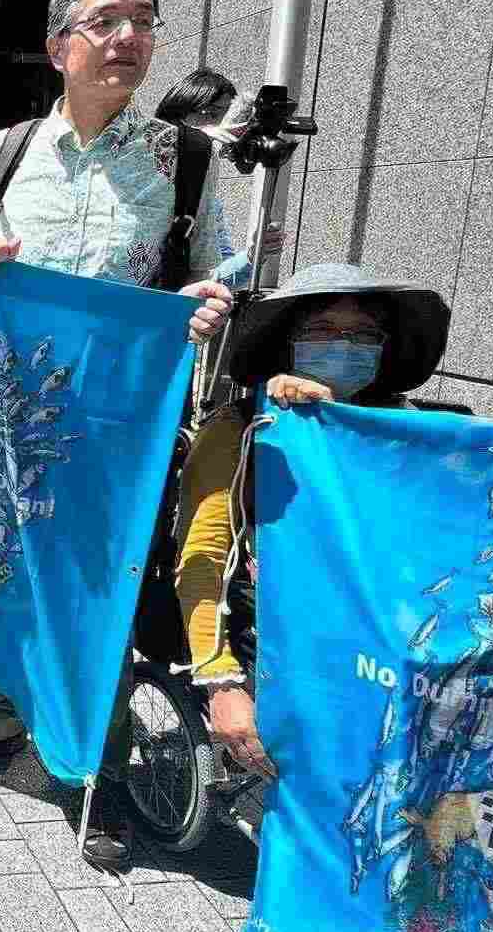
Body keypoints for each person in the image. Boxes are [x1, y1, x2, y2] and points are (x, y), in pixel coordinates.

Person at [0, 0, 234, 872]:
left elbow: (217, 267)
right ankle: (0, 714)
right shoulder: (4, 153)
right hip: (8, 422)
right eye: (106, 20)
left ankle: (98, 771)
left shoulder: (185, 160)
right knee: (3, 575)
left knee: (102, 592)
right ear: (58, 46)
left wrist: (209, 300)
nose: (128, 37)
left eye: (143, 20)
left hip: (120, 428)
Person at [175, 263, 450, 778]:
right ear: (287, 342)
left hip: (392, 642)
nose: (343, 344)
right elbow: (202, 561)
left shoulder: (413, 431)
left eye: (363, 334)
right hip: (285, 641)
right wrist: (221, 684)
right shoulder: (240, 430)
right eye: (322, 329)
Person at [154, 68, 285, 288]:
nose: (221, 125)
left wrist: (253, 255)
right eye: (210, 114)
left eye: (229, 116)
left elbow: (212, 277)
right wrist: (193, 142)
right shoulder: (136, 166)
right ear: (177, 115)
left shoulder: (209, 201)